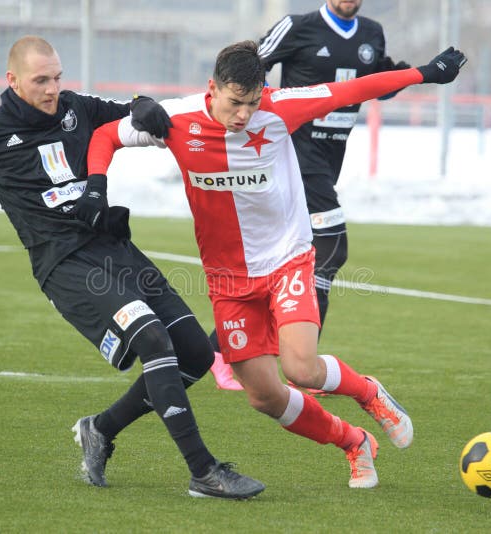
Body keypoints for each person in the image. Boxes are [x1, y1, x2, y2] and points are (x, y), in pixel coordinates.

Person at [0, 35, 264, 500]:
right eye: (41, 80)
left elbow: (130, 109)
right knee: (154, 339)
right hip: (67, 266)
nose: (53, 89)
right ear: (12, 81)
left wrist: (145, 103)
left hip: (117, 251)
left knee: (195, 355)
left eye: (57, 77)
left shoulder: (76, 107)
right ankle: (204, 471)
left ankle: (101, 428)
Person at [87, 40, 466, 488]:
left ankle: (369, 393)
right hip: (228, 279)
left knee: (301, 368)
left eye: (251, 103)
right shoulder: (175, 119)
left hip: (287, 258)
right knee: (264, 396)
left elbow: (354, 90)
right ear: (212, 89)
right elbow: (104, 135)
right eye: (234, 103)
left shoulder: (280, 108)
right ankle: (353, 442)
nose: (244, 115)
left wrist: (424, 73)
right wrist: (96, 186)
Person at [209, 0, 411, 391]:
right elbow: (250, 66)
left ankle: (221, 350)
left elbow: (371, 84)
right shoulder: (297, 26)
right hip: (292, 157)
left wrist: (396, 77)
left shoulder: (371, 33)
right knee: (331, 249)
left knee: (283, 262)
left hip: (328, 163)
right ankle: (303, 365)